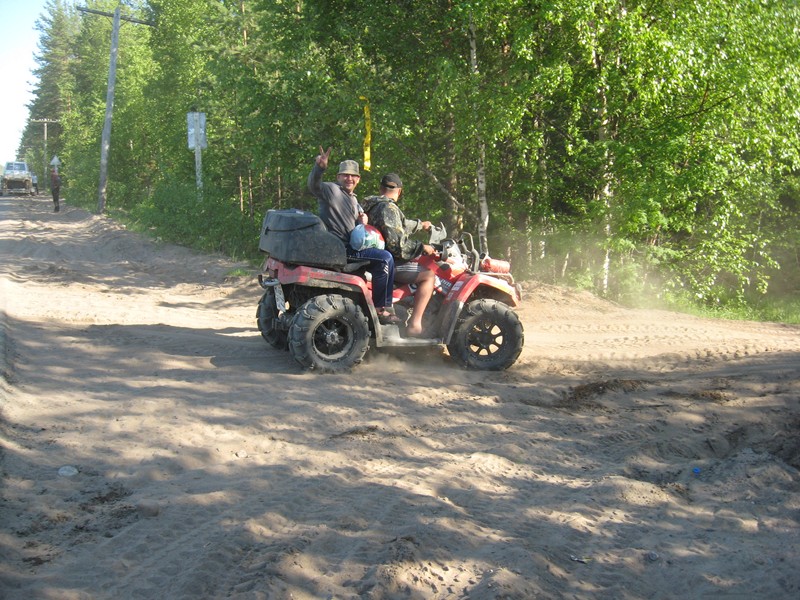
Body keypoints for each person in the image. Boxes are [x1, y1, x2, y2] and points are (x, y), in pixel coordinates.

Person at [307, 147, 399, 324]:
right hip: (342, 249)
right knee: (385, 258)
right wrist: (319, 168)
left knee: (383, 260)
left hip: (352, 246)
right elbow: (314, 186)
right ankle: (382, 309)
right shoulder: (331, 190)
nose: (349, 178)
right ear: (338, 177)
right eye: (345, 175)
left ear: (358, 179)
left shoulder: (353, 199)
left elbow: (354, 227)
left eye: (353, 175)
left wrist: (361, 222)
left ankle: (375, 303)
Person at [362, 173, 436, 336]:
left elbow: (398, 225)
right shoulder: (388, 208)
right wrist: (422, 247)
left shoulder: (372, 205)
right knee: (429, 275)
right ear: (400, 191)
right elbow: (397, 245)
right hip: (388, 261)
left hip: (372, 258)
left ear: (380, 188)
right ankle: (415, 325)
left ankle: (404, 305)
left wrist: (420, 225)